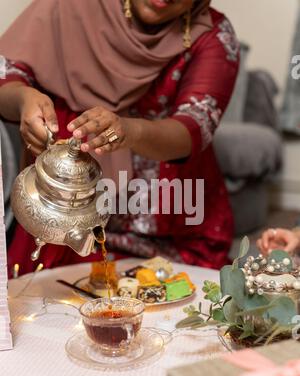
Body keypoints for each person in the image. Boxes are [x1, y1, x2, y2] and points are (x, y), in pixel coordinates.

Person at [0, 0, 239, 276]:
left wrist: (131, 130)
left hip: (166, 225)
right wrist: (23, 99)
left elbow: (194, 127)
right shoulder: (69, 5)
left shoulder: (213, 34)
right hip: (69, 216)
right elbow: (7, 78)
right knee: (47, 305)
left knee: (174, 308)